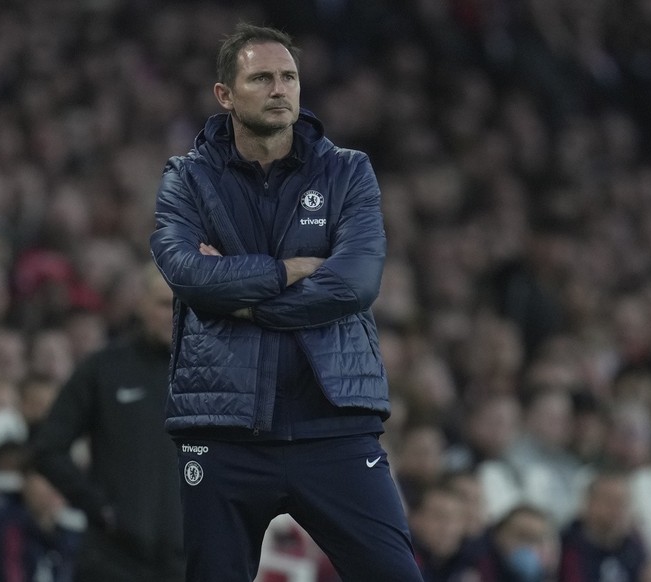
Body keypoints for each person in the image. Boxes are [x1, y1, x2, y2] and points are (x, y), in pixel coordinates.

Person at [148, 22, 423, 581]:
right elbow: (187, 275)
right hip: (224, 430)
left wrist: (241, 298)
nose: (281, 89)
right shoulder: (186, 178)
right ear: (225, 95)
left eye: (289, 77)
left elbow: (354, 285)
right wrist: (286, 271)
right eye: (262, 77)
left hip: (334, 425)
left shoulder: (348, 171)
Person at [31, 263, 184, 581]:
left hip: (186, 564)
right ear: (140, 304)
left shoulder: (211, 374)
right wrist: (98, 506)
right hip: (111, 560)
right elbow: (48, 448)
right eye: (162, 303)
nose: (173, 313)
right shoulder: (103, 369)